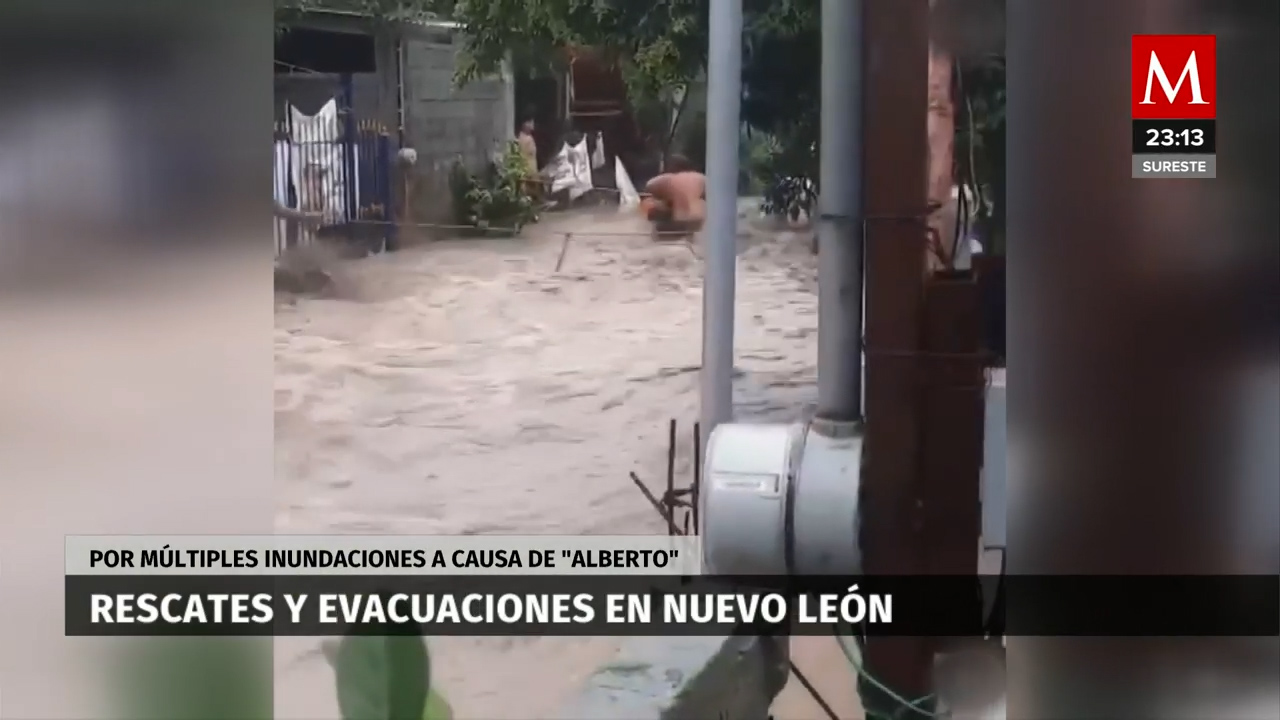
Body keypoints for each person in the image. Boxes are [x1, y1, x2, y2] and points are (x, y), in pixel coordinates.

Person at [643, 154, 706, 240]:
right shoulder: (701, 178)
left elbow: (648, 185)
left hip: (679, 220)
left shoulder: (666, 179)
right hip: (699, 219)